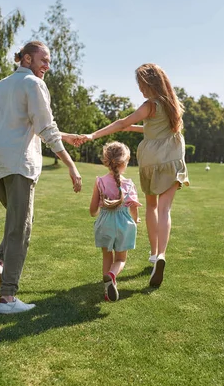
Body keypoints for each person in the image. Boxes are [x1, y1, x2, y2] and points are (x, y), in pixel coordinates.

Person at [0, 41, 82, 314]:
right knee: (21, 228)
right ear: (26, 59)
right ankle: (7, 298)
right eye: (43, 60)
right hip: (17, 164)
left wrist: (66, 136)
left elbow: (24, 123)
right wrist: (71, 166)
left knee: (19, 219)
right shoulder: (35, 84)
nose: (47, 66)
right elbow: (46, 127)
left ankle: (2, 263)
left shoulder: (2, 84)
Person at [78, 63, 189, 287]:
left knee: (152, 206)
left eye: (141, 85)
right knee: (166, 209)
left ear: (149, 83)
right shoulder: (173, 105)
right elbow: (161, 130)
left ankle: (153, 251)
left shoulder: (150, 105)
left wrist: (93, 135)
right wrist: (136, 128)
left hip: (151, 160)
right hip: (174, 158)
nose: (140, 89)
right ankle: (161, 255)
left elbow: (121, 123)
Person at [89, 142, 141, 301]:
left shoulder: (100, 182)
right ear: (124, 163)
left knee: (107, 257)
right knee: (120, 259)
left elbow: (92, 211)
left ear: (106, 160)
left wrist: (99, 211)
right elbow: (133, 208)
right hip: (123, 224)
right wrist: (135, 219)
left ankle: (108, 290)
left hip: (105, 223)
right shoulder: (129, 184)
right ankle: (112, 276)